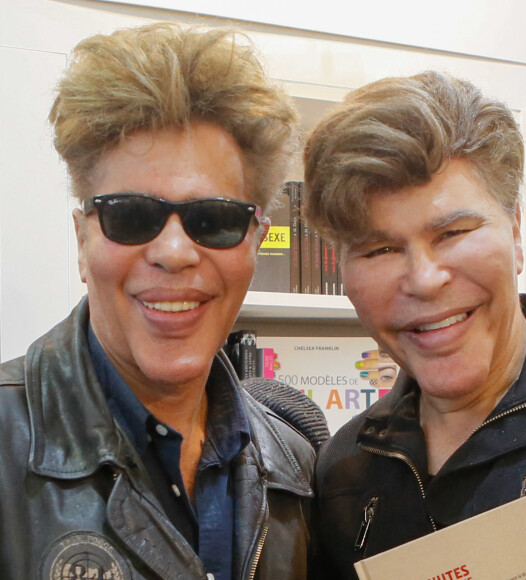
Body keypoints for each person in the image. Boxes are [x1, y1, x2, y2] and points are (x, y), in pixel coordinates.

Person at [0, 22, 315, 579]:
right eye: (131, 216)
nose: (174, 252)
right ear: (83, 239)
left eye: (213, 221)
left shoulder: (297, 465)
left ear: (254, 245)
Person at [303, 70, 526, 579]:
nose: (425, 280)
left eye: (453, 232)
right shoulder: (342, 469)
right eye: (380, 249)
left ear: (515, 232)